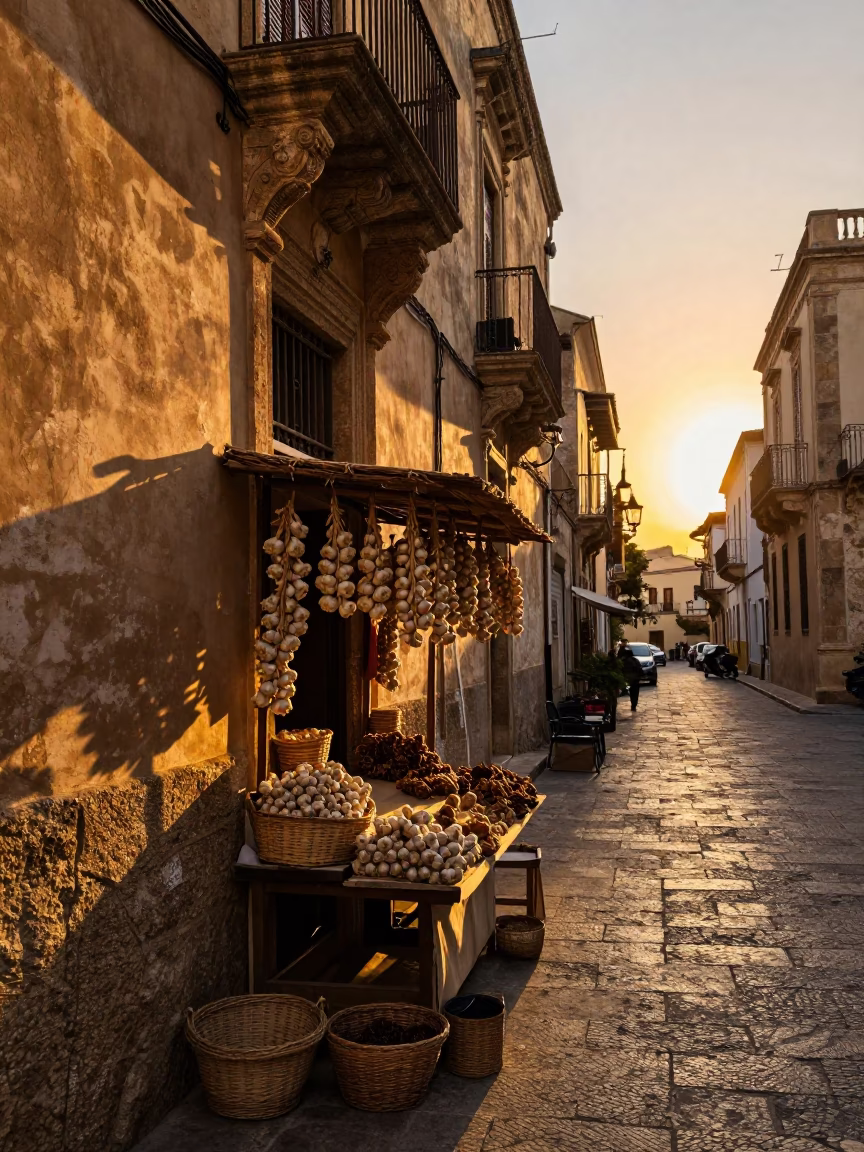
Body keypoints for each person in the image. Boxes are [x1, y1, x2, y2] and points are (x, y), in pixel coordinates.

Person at [618, 643, 643, 711]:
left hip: (626, 680)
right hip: (635, 680)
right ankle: (634, 705)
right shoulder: (635, 660)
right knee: (634, 693)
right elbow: (640, 670)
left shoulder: (623, 661)